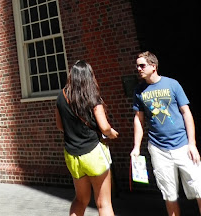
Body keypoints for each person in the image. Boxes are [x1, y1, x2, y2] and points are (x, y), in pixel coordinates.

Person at [131, 51, 201, 216]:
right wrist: (136, 147)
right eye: (137, 66)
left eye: (142, 65)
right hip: (158, 149)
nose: (139, 69)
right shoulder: (139, 90)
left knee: (198, 187)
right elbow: (138, 120)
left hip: (182, 145)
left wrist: (192, 144)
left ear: (153, 66)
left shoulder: (172, 84)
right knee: (169, 194)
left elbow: (186, 113)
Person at [56, 60, 119, 216]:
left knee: (80, 200)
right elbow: (104, 127)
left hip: (72, 156)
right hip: (93, 154)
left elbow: (60, 126)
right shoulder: (92, 98)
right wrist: (112, 133)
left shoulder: (61, 97)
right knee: (103, 204)